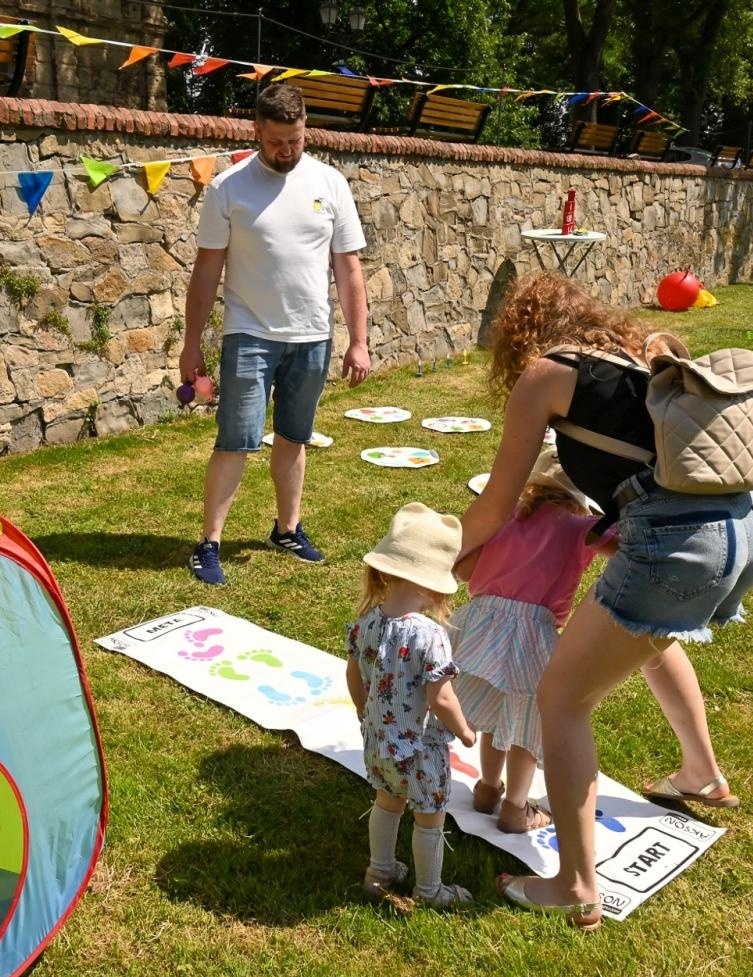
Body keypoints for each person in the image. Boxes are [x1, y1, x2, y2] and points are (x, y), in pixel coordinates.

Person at [460, 273, 753, 929]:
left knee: (561, 699)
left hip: (677, 545)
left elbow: (498, 499)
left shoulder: (547, 374)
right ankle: (701, 774)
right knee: (647, 640)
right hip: (749, 530)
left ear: (522, 338)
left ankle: (575, 882)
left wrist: (452, 557)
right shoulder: (643, 358)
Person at [180, 82, 371, 587]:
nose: (287, 151)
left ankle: (287, 529)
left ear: (306, 128)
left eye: (296, 140)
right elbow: (206, 272)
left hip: (312, 336)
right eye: (276, 142)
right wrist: (191, 342)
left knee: (294, 436)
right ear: (257, 131)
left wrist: (359, 340)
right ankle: (208, 544)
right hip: (249, 334)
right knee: (236, 441)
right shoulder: (228, 187)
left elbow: (349, 268)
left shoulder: (330, 183)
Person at [451, 450, 615, 834]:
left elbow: (464, 569)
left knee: (495, 711)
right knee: (525, 720)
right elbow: (625, 549)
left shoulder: (503, 515)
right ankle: (516, 806)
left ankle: (488, 788)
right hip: (533, 632)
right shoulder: (581, 527)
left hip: (481, 620)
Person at [346, 503, 477, 909]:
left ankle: (379, 872)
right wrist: (465, 731)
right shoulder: (430, 635)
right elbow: (441, 697)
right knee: (429, 818)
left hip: (379, 741)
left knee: (386, 803)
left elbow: (353, 675)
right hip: (420, 750)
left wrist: (364, 711)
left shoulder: (365, 623)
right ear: (434, 586)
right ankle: (430, 890)